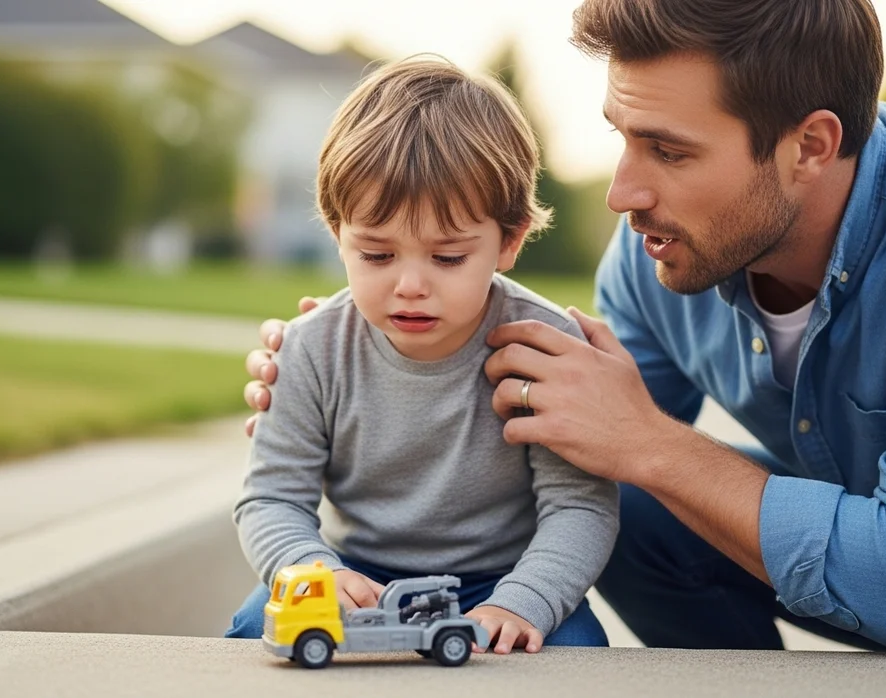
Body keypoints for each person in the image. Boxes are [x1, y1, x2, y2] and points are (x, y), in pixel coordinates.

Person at [242, 0, 886, 657]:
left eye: (667, 150)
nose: (623, 192)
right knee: (628, 502)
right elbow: (564, 452)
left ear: (811, 147)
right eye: (623, 136)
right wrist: (376, 361)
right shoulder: (658, 253)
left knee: (647, 466)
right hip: (865, 562)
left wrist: (649, 444)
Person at [224, 56, 621, 655]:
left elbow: (580, 507)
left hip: (503, 579)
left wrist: (523, 601)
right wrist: (312, 569)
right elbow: (272, 496)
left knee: (577, 654)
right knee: (255, 632)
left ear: (508, 241)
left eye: (448, 257)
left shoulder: (542, 346)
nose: (410, 284)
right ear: (338, 236)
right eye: (377, 256)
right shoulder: (310, 347)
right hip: (353, 575)